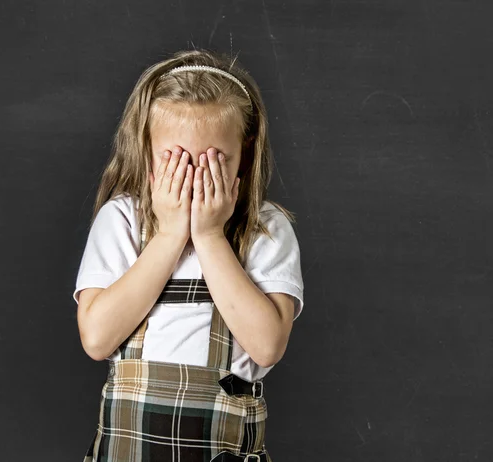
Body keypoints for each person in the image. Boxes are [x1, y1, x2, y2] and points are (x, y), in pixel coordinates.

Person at [73, 49, 305, 462]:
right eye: (176, 161)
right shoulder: (124, 219)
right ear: (146, 149)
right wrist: (169, 235)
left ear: (245, 152)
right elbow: (97, 338)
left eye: (215, 161)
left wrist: (211, 235)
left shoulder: (264, 229)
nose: (196, 179)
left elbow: (267, 346)